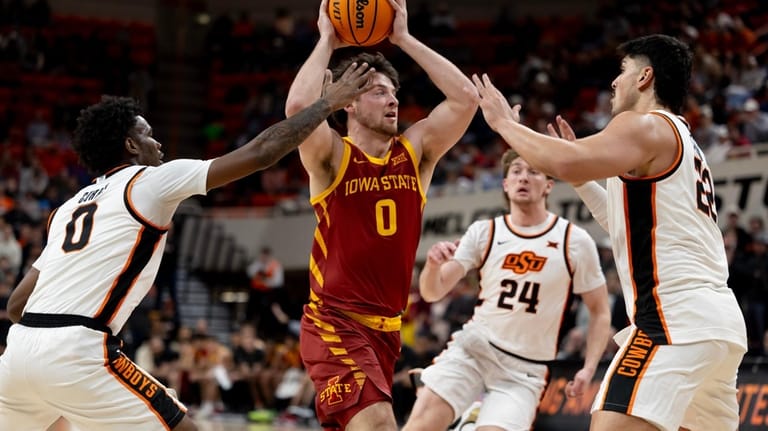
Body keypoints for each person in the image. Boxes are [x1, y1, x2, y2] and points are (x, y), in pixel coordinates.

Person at [0, 62, 376, 431]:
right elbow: (262, 152)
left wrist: (46, 366)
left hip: (18, 353)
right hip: (77, 349)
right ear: (130, 144)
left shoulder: (68, 207)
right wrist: (328, 104)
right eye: (148, 134)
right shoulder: (150, 181)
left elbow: (17, 305)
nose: (158, 141)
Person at [471, 34, 747, 431]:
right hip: (717, 325)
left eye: (622, 71)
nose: (614, 82)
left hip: (673, 321)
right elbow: (621, 222)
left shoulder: (643, 126)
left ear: (645, 77)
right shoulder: (683, 141)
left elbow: (567, 163)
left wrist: (502, 125)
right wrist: (583, 181)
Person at [284, 0, 477, 429]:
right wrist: (326, 40)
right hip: (334, 321)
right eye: (377, 92)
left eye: (394, 93)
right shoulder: (333, 155)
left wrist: (404, 39)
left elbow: (466, 99)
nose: (391, 101)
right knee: (379, 425)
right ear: (349, 104)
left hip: (387, 330)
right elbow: (298, 110)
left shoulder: (416, 152)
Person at [402, 149, 611, 431]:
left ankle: (468, 421)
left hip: (524, 370)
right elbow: (432, 292)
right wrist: (432, 266)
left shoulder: (574, 240)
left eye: (533, 171)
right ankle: (467, 418)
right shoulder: (484, 232)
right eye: (516, 171)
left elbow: (599, 311)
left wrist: (588, 367)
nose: (523, 177)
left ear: (549, 185)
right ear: (505, 183)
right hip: (473, 350)